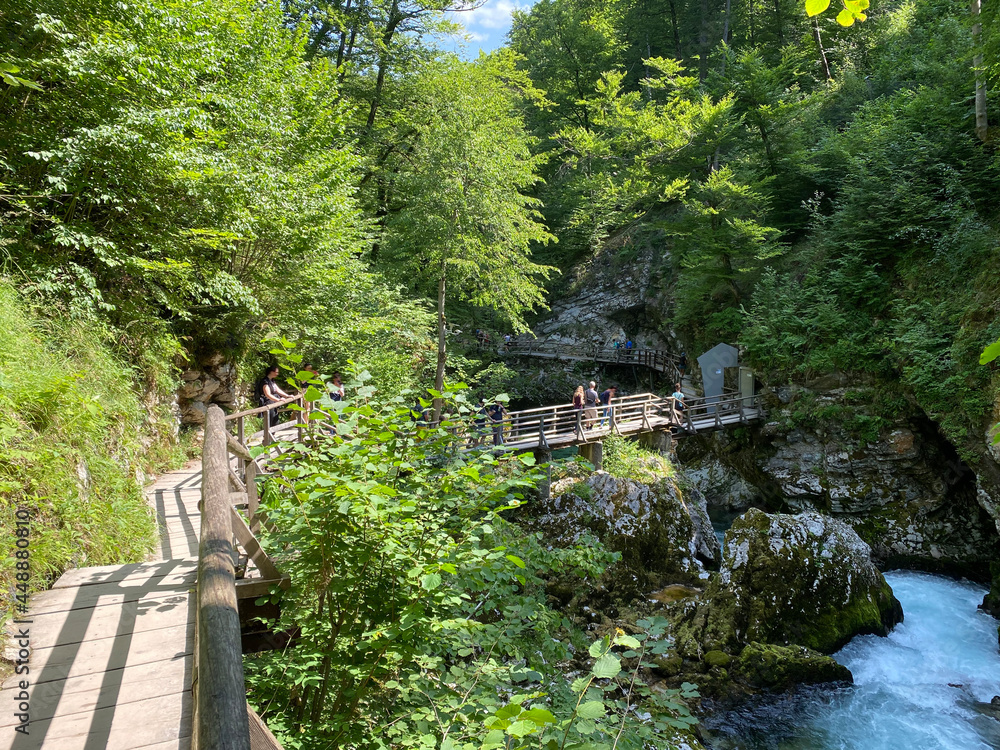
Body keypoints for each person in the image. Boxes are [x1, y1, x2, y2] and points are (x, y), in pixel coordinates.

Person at [256, 365, 290, 433]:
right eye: (276, 372)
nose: (277, 374)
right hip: (268, 402)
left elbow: (277, 390)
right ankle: (267, 437)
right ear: (271, 372)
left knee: (275, 421)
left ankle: (272, 436)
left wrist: (287, 396)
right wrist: (278, 400)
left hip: (273, 402)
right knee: (270, 421)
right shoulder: (265, 381)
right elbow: (267, 394)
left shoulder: (271, 381)